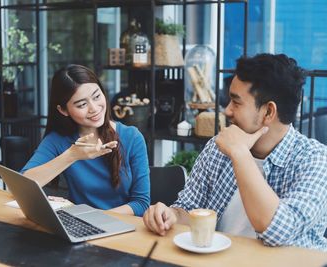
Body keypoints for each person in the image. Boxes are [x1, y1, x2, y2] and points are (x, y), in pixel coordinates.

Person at [143, 53, 327, 251]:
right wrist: (170, 215)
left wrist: (240, 154)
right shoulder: (218, 147)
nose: (227, 111)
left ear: (268, 112)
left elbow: (277, 231)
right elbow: (189, 209)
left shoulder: (315, 159)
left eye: (236, 102)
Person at [22, 64, 150, 216]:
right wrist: (72, 155)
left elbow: (141, 203)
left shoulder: (132, 137)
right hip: (80, 227)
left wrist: (97, 218)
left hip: (124, 227)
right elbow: (22, 185)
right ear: (63, 110)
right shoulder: (58, 140)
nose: (94, 108)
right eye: (82, 104)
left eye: (96, 96)